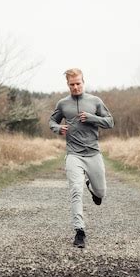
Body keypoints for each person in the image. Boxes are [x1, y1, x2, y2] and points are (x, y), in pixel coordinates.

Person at [49, 68, 114, 248]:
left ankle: (92, 187)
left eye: (78, 83)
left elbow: (110, 121)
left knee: (101, 193)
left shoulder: (95, 101)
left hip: (93, 153)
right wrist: (58, 129)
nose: (76, 87)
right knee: (75, 191)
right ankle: (79, 231)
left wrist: (92, 118)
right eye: (72, 84)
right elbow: (51, 121)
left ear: (83, 82)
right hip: (73, 154)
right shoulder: (63, 104)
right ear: (68, 85)